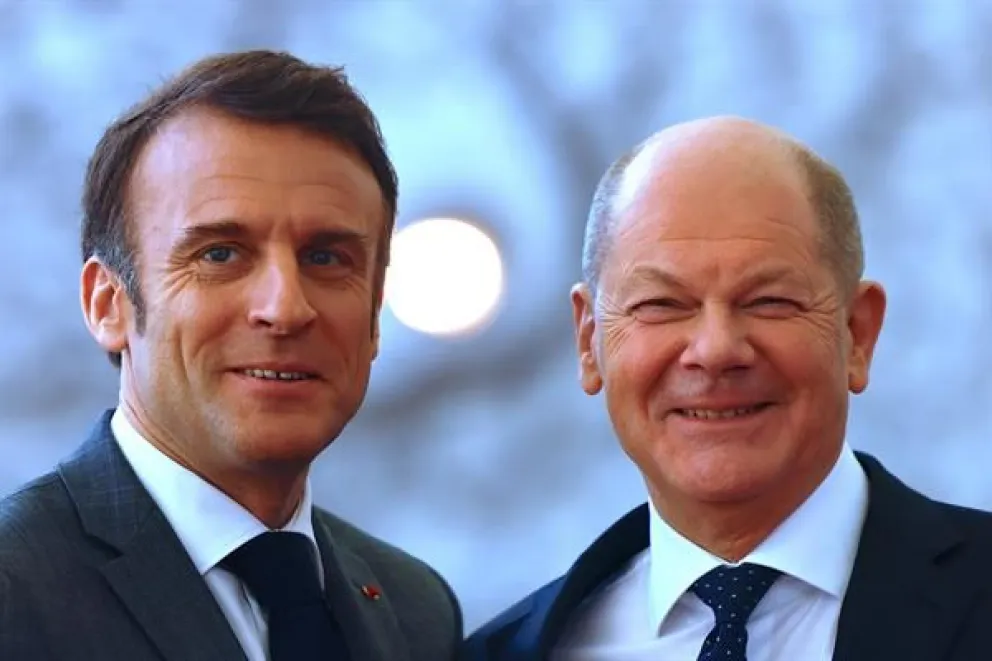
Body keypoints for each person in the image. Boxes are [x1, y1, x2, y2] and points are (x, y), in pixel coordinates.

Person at [463, 116, 992, 661]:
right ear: (588, 340)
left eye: (769, 301)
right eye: (661, 305)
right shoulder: (508, 652)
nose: (715, 350)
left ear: (858, 333)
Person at [0, 50, 461, 661]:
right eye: (220, 254)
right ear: (107, 304)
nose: (286, 308)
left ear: (375, 313)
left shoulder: (418, 611)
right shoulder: (16, 593)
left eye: (326, 258)